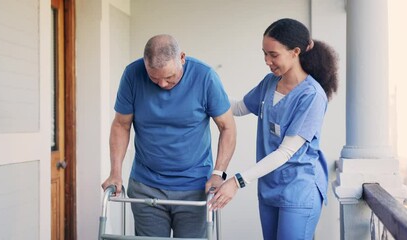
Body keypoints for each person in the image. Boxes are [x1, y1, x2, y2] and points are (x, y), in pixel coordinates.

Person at [208, 18, 338, 240]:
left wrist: (237, 181)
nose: (267, 61)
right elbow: (238, 107)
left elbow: (286, 152)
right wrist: (206, 87)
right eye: (264, 54)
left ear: (295, 51)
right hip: (270, 187)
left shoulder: (312, 96)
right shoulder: (270, 82)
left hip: (299, 189)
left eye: (273, 55)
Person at [101, 34, 236, 238]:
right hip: (146, 186)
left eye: (169, 77)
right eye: (154, 78)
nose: (162, 84)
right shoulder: (132, 74)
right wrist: (115, 172)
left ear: (182, 58)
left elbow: (228, 127)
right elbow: (121, 125)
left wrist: (218, 173)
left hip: (195, 187)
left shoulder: (205, 76)